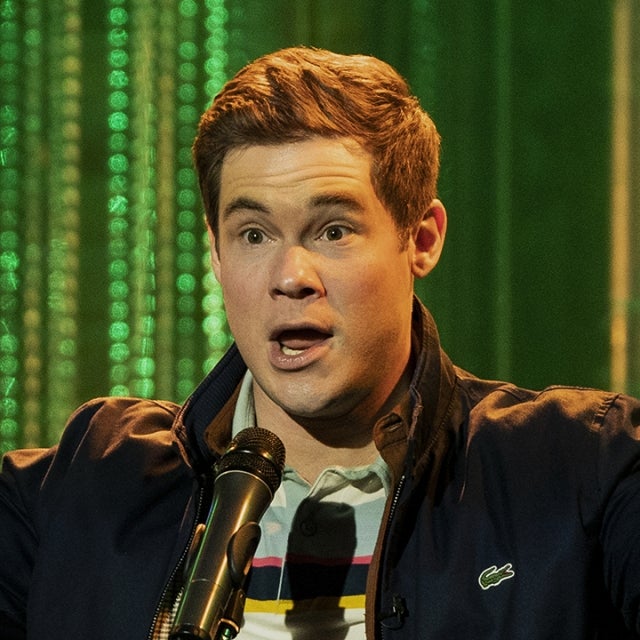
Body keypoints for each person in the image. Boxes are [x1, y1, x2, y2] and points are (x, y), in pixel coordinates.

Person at [1, 46, 639, 640]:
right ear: (216, 254)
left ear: (421, 240)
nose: (290, 277)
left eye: (333, 230)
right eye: (254, 235)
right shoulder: (89, 483)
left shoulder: (579, 470)